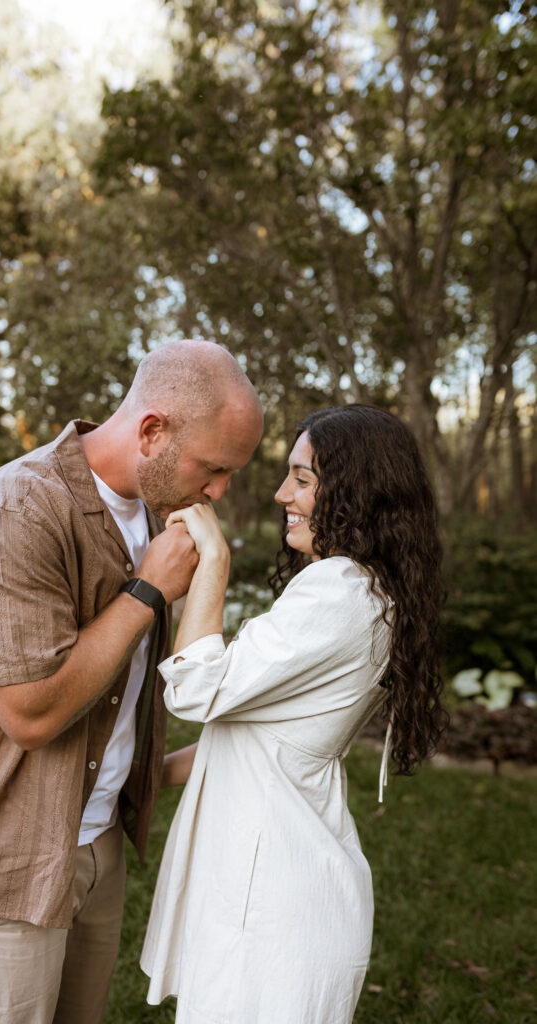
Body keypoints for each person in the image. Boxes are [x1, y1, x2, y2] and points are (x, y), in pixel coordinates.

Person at [0, 339, 264, 1024]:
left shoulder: (160, 512)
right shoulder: (16, 509)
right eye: (212, 469)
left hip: (93, 847)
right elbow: (31, 715)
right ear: (152, 431)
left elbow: (140, 697)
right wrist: (148, 590)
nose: (218, 492)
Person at [142, 404, 447, 1024]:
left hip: (274, 902)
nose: (284, 494)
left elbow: (196, 689)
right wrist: (136, 774)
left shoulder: (339, 589)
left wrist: (213, 564)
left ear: (359, 492)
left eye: (302, 479)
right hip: (274, 885)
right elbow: (255, 744)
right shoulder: (362, 589)